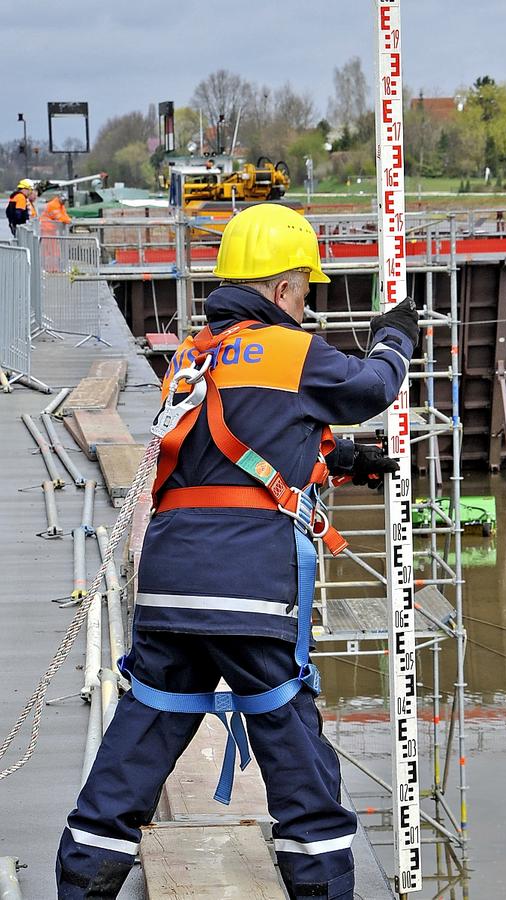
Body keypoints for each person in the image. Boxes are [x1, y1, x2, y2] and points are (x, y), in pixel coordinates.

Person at [56, 203, 419, 900]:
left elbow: (223, 456)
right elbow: (370, 389)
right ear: (283, 289)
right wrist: (393, 341)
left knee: (139, 744)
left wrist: (335, 459)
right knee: (295, 757)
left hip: (169, 586)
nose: (306, 303)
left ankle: (82, 882)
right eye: (304, 290)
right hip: (248, 591)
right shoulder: (294, 351)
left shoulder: (193, 357)